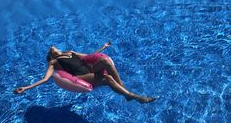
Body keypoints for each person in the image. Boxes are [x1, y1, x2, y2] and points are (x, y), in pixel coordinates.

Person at [13, 41, 156, 104]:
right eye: (51, 50)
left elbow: (89, 56)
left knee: (105, 62)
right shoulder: (54, 62)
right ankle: (134, 96)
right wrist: (26, 88)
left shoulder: (70, 52)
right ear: (51, 55)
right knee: (107, 78)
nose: (53, 47)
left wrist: (103, 47)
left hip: (90, 70)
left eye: (54, 47)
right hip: (81, 76)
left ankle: (126, 93)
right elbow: (45, 79)